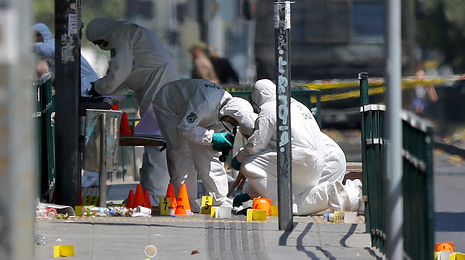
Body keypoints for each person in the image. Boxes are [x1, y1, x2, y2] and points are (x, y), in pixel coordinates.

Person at [85, 17, 179, 203]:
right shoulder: (128, 31)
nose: (101, 46)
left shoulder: (120, 34)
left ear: (102, 33)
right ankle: (148, 195)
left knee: (155, 141)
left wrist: (98, 88)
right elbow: (126, 77)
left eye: (99, 42)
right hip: (158, 84)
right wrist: (105, 92)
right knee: (153, 141)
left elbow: (120, 71)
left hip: (159, 87)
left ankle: (155, 197)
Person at [230, 79, 357, 215]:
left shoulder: (268, 111)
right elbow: (271, 174)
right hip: (322, 160)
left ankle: (285, 206)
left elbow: (256, 145)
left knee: (250, 164)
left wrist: (240, 157)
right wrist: (251, 194)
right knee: (303, 198)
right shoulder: (295, 104)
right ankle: (344, 194)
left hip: (314, 160)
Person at [153, 79, 256, 208]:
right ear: (229, 117)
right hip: (169, 105)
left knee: (209, 153)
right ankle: (185, 200)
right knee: (180, 150)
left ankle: (218, 199)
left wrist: (213, 141)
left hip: (198, 112)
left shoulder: (228, 108)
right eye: (233, 123)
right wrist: (212, 137)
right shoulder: (204, 102)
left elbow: (211, 153)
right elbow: (183, 129)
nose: (232, 126)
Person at [34, 22, 99, 93]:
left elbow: (44, 49)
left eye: (38, 35)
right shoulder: (51, 55)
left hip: (86, 86)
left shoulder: (55, 44)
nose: (35, 38)